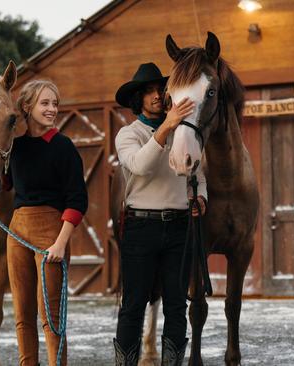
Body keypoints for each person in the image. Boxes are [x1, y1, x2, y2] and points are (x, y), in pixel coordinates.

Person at [112, 62, 206, 365]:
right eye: (149, 91)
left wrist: (201, 195)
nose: (156, 95)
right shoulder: (129, 134)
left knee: (177, 305)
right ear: (138, 98)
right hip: (141, 227)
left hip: (179, 226)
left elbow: (198, 170)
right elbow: (140, 166)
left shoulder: (184, 131)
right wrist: (167, 126)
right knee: (134, 305)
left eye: (160, 90)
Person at [7, 79, 88, 365]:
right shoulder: (13, 148)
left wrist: (60, 243)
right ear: (27, 107)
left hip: (50, 232)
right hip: (16, 231)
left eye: (55, 103)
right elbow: (0, 186)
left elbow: (77, 200)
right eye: (45, 103)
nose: (52, 108)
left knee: (51, 316)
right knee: (22, 314)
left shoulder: (63, 146)